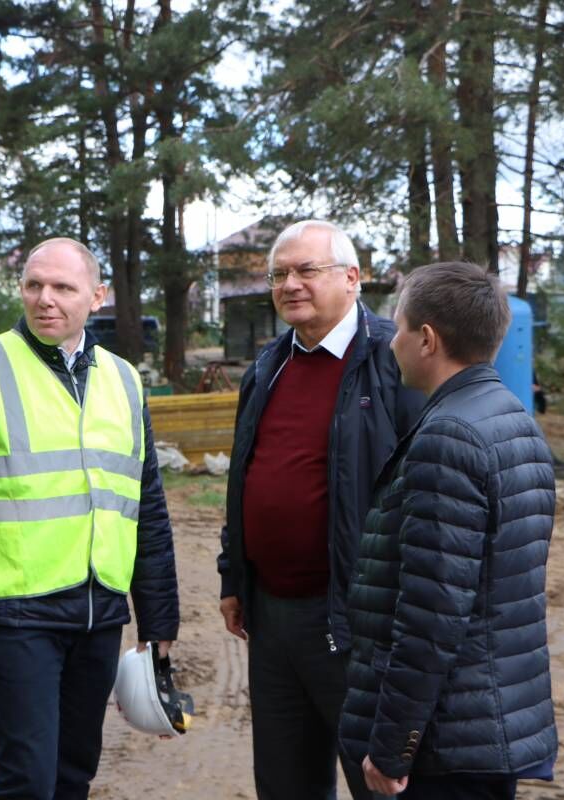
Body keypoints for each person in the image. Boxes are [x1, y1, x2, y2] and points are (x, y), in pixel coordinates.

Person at [0, 237, 180, 800]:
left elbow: (147, 506)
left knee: (75, 773)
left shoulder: (124, 379)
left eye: (63, 288)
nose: (45, 299)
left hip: (99, 612)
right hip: (19, 614)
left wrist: (159, 623)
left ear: (97, 297)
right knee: (28, 777)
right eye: (33, 285)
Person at [216, 220, 424, 800]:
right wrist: (234, 574)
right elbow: (244, 479)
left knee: (377, 783)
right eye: (279, 273)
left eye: (306, 270)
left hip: (358, 622)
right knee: (285, 784)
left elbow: (423, 490)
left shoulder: (394, 360)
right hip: (273, 619)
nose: (289, 284)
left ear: (352, 278)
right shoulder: (267, 366)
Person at [338, 261, 558, 800]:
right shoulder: (511, 419)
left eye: (400, 328)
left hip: (446, 749)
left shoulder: (449, 437)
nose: (391, 345)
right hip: (484, 728)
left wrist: (393, 746)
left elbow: (430, 618)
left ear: (427, 339)